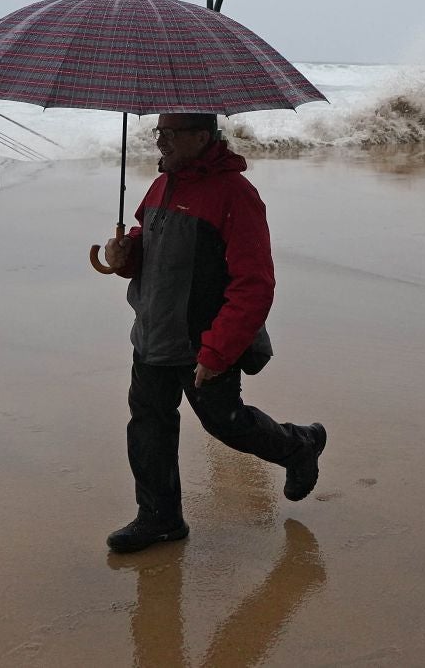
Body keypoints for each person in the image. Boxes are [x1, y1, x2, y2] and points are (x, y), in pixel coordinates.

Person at [103, 113, 326, 554]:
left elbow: (254, 284)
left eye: (170, 134)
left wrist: (217, 351)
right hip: (152, 334)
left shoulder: (236, 195)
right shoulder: (161, 184)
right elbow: (151, 245)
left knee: (226, 424)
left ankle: (299, 446)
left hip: (202, 341)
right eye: (159, 132)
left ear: (201, 137)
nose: (161, 141)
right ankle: (160, 518)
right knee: (148, 426)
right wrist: (125, 254)